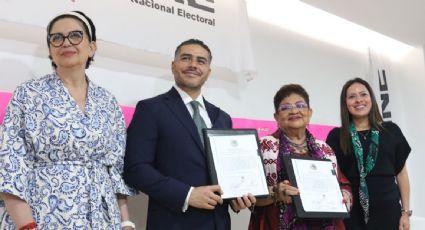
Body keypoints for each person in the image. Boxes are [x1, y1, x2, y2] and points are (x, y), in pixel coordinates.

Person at [0, 11, 135, 229]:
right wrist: (26, 226)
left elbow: (116, 169)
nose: (66, 43)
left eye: (75, 35)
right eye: (56, 38)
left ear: (92, 47)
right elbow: (11, 164)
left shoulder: (108, 101)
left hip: (103, 218)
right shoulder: (29, 93)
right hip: (44, 215)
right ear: (50, 50)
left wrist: (125, 221)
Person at [124, 38, 256, 230]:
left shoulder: (222, 118)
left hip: (219, 224)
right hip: (173, 223)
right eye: (186, 58)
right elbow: (135, 169)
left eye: (201, 61)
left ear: (208, 72)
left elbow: (225, 172)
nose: (193, 65)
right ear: (173, 65)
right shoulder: (151, 109)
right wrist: (187, 194)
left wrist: (235, 197)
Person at [248, 84, 352, 230]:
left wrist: (344, 196)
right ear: (276, 117)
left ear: (309, 113)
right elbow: (249, 195)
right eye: (285, 107)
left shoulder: (325, 149)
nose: (294, 111)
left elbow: (343, 184)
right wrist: (275, 194)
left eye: (300, 105)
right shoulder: (263, 147)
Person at [326, 78, 411, 230]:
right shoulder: (336, 136)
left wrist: (405, 212)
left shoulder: (391, 130)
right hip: (351, 214)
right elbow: (331, 176)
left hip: (389, 213)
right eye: (352, 96)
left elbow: (402, 174)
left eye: (363, 94)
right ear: (345, 103)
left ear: (371, 98)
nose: (359, 100)